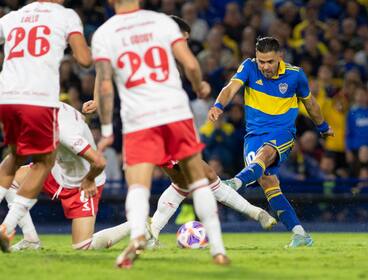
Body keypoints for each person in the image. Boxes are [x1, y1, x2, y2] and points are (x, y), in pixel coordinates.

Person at [83, 16, 276, 246]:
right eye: (182, 39)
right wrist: (199, 85)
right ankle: (255, 213)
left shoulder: (160, 57)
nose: (182, 44)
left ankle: (150, 234)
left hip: (159, 125)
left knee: (184, 183)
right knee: (205, 175)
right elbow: (107, 69)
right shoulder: (151, 53)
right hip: (159, 126)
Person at [92, 0, 228, 268]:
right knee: (197, 180)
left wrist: (107, 130)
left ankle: (138, 236)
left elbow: (105, 86)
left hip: (139, 117)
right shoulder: (162, 22)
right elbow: (189, 63)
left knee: (138, 186)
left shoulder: (104, 34)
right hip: (174, 110)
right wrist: (199, 84)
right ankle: (218, 249)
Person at [208, 37, 334, 247]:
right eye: (261, 61)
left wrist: (323, 127)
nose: (265, 66)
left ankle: (234, 183)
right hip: (253, 136)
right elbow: (231, 88)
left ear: (280, 57)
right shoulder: (248, 67)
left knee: (265, 155)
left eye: (270, 62)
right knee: (268, 183)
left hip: (282, 133)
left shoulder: (295, 75)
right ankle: (300, 233)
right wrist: (218, 106)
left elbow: (310, 103)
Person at [0, 0, 91, 252]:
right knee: (44, 161)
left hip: (5, 97)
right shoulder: (65, 15)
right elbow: (84, 59)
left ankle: (26, 236)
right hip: (37, 98)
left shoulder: (13, 17)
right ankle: (7, 226)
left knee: (15, 157)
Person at [4, 102, 130, 251]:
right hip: (56, 170)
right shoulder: (53, 106)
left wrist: (89, 179)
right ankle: (30, 240)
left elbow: (99, 162)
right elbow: (80, 118)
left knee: (83, 247)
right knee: (10, 180)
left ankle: (137, 223)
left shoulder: (65, 132)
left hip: (83, 183)